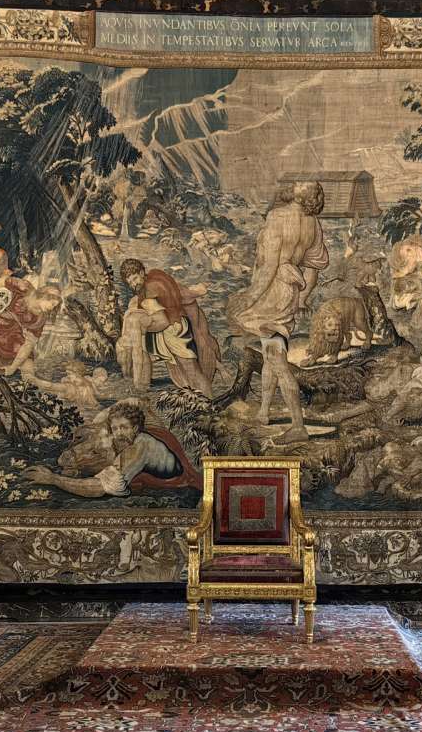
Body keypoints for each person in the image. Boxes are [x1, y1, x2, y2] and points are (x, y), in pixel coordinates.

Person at [229, 181, 329, 444]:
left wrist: (248, 298)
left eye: (300, 184)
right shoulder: (312, 223)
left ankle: (298, 426)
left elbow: (270, 266)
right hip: (289, 293)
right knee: (271, 351)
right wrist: (302, 297)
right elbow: (314, 268)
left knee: (277, 360)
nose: (294, 183)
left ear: (301, 194)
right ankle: (264, 412)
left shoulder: (277, 217)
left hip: (272, 292)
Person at [25, 401, 200, 497]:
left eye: (124, 427)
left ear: (135, 428)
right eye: (115, 429)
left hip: (178, 484)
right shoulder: (126, 440)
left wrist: (53, 479)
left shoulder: (140, 446)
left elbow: (99, 488)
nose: (119, 433)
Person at [117, 258, 220, 396]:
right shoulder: (155, 275)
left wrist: (144, 328)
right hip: (177, 325)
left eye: (134, 278)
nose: (133, 284)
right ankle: (202, 400)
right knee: (188, 372)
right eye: (130, 282)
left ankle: (209, 401)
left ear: (141, 273)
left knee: (192, 371)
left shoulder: (149, 289)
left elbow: (163, 321)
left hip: (175, 330)